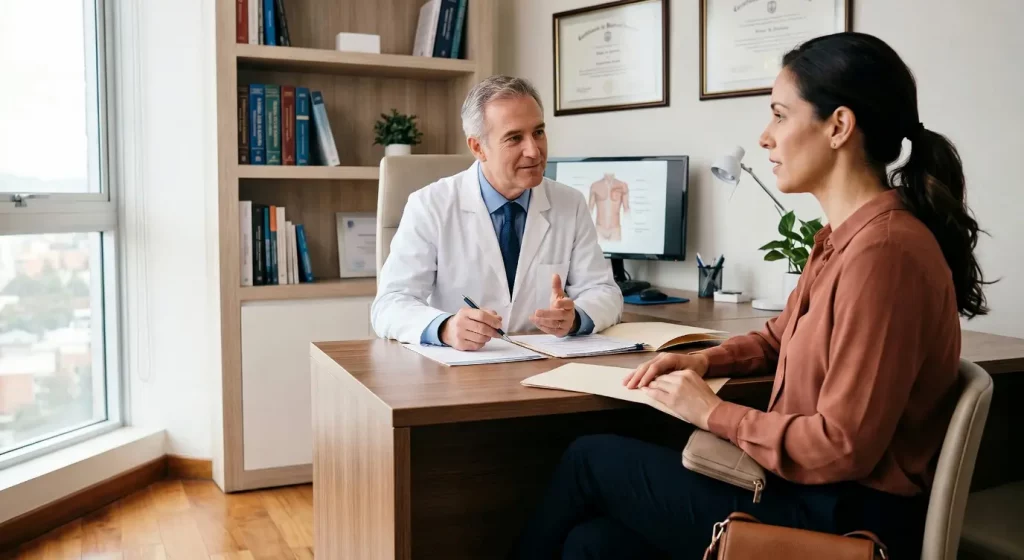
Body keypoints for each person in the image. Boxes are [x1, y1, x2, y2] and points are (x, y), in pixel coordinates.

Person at [510, 31, 989, 559]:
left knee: (588, 460)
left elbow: (842, 446)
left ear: (839, 127)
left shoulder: (885, 253)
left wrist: (711, 412)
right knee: (592, 544)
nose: (765, 138)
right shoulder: (841, 239)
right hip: (806, 494)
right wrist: (697, 360)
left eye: (780, 116)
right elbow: (777, 338)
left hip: (843, 520)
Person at [371, 76, 622, 349]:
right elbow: (389, 304)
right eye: (514, 138)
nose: (534, 150)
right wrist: (445, 328)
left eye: (538, 132)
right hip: (461, 372)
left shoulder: (569, 204)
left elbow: (604, 292)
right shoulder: (430, 205)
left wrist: (576, 318)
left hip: (545, 363)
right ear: (478, 147)